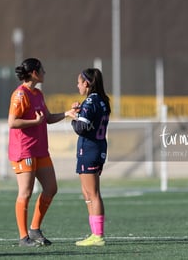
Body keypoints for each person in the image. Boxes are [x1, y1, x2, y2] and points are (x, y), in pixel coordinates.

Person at [8, 58, 76, 247]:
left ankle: (35, 229)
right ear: (35, 73)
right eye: (42, 70)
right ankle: (23, 238)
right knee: (26, 192)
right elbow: (12, 122)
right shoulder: (20, 95)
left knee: (51, 188)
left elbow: (46, 118)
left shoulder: (37, 93)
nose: (45, 72)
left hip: (39, 149)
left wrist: (67, 113)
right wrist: (34, 123)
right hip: (24, 149)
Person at [70, 68, 110, 246]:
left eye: (79, 82)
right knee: (87, 192)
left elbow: (81, 128)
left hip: (89, 150)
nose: (77, 85)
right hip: (97, 147)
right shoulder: (102, 100)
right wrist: (80, 113)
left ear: (86, 84)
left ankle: (98, 235)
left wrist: (73, 117)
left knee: (93, 193)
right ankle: (94, 233)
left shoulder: (91, 101)